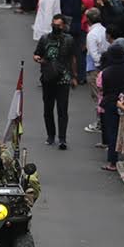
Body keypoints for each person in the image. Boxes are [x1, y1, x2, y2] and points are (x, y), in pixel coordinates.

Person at [34, 12, 77, 149]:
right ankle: (51, 135)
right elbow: (37, 53)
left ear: (63, 26)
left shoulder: (69, 40)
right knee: (48, 109)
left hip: (63, 79)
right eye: (54, 25)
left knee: (62, 110)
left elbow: (72, 58)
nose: (55, 27)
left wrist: (74, 76)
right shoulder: (45, 39)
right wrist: (37, 59)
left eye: (58, 25)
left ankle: (62, 138)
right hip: (47, 78)